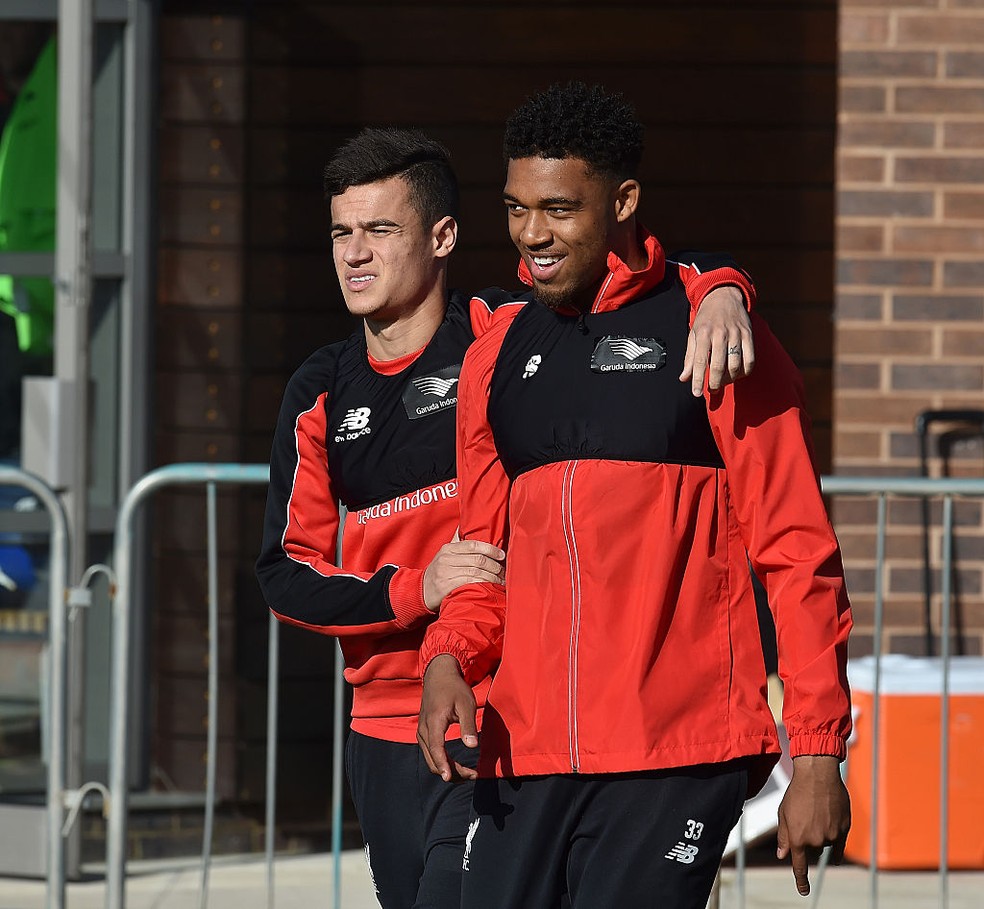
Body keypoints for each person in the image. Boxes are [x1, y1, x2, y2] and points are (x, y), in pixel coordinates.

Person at [255, 126, 757, 909]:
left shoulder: (501, 333)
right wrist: (415, 589)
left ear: (442, 237)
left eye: (379, 229)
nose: (355, 253)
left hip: (498, 715)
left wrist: (721, 284)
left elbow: (622, 286)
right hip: (384, 731)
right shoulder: (320, 389)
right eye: (341, 233)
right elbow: (285, 574)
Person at [417, 82, 853, 909]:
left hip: (676, 753)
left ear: (622, 201)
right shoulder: (494, 357)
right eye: (515, 208)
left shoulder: (715, 332)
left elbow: (798, 552)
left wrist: (818, 751)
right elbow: (485, 561)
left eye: (558, 209)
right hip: (525, 752)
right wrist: (450, 657)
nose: (532, 234)